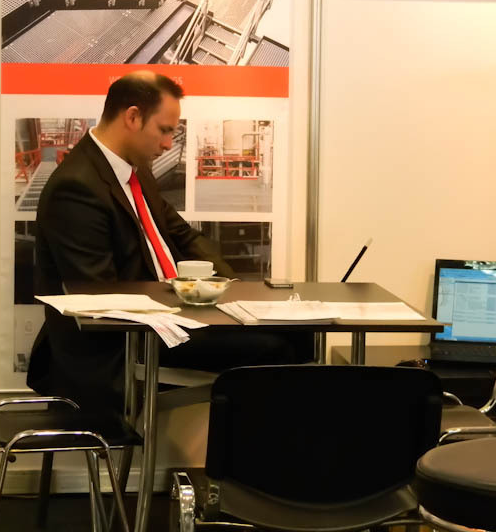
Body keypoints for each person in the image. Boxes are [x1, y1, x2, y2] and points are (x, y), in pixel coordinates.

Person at [27, 72, 307, 415]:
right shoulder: (77, 187)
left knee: (298, 335)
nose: (167, 144)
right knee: (274, 350)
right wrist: (181, 304)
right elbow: (102, 297)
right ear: (132, 117)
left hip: (161, 319)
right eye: (164, 130)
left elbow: (183, 235)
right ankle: (250, 449)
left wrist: (233, 288)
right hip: (123, 340)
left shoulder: (134, 171)